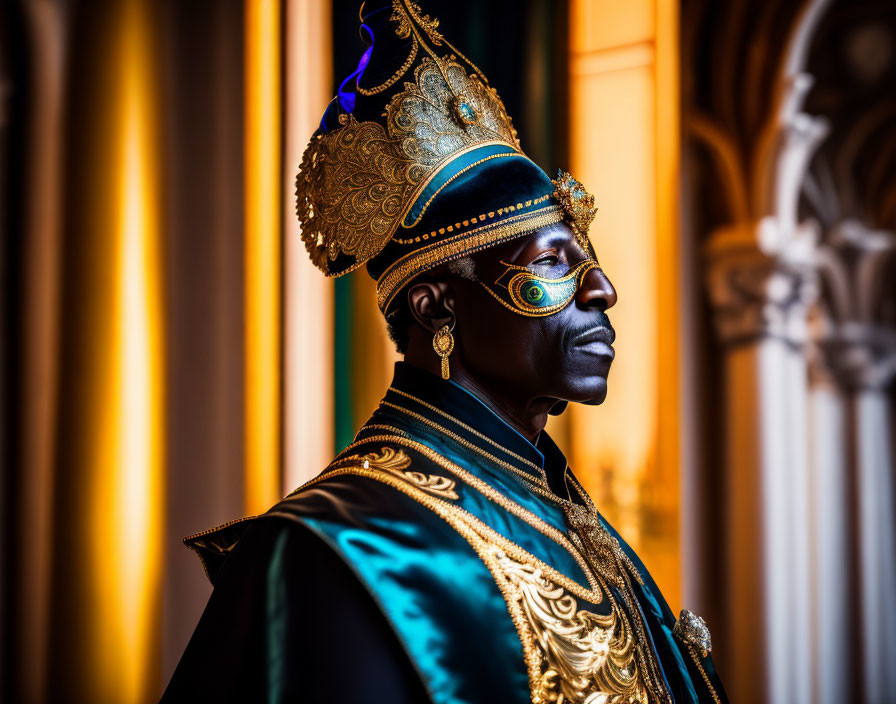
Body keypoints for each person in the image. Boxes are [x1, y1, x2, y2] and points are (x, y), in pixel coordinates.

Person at [162, 1, 727, 702]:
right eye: (554, 262)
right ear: (437, 305)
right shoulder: (337, 552)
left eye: (590, 258)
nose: (604, 289)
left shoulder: (577, 527)